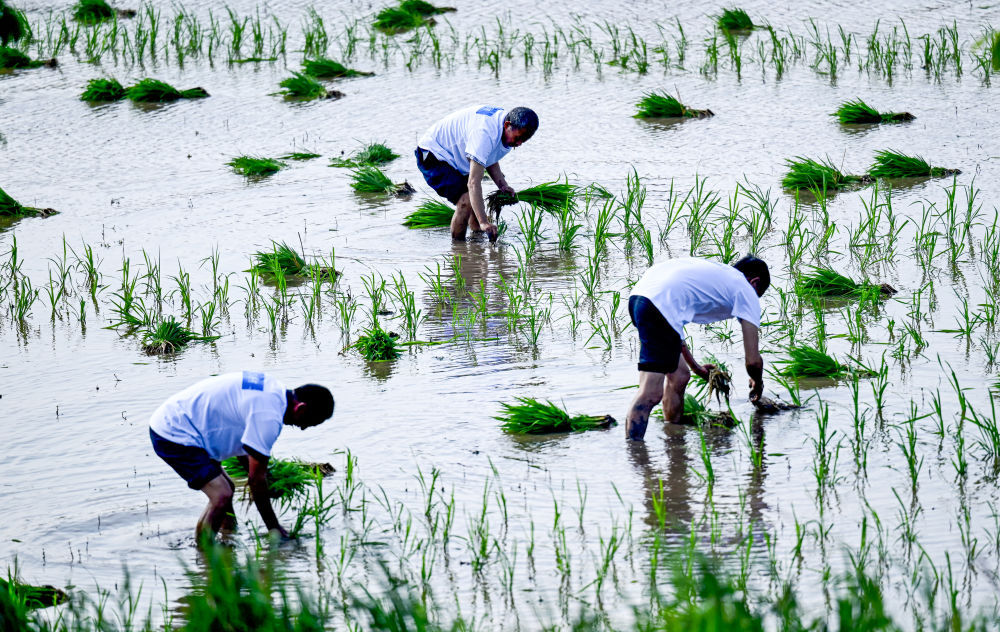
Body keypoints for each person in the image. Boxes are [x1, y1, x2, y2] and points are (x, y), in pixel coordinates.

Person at [148, 371, 334, 543]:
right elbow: (256, 481)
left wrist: (269, 479)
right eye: (308, 423)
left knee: (227, 487)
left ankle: (228, 536)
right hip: (174, 432)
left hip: (187, 423)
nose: (303, 428)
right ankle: (204, 553)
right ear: (300, 409)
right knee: (221, 495)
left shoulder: (272, 389)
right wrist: (274, 528)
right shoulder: (269, 417)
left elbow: (246, 451)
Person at [625, 256, 770, 441]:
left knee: (679, 376)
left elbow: (673, 326)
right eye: (758, 295)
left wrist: (695, 367)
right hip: (658, 306)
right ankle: (634, 451)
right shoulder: (746, 290)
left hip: (640, 297)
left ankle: (673, 437)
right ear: (755, 282)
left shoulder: (721, 277)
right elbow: (753, 361)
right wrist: (757, 383)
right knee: (651, 393)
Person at [415, 105, 539, 242]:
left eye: (524, 140)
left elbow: (489, 157)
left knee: (475, 202)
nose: (519, 143)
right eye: (518, 138)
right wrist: (484, 221)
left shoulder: (506, 130)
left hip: (458, 155)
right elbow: (473, 183)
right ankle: (458, 248)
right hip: (433, 154)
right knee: (466, 201)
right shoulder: (485, 133)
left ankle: (476, 242)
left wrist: (503, 186)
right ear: (507, 125)